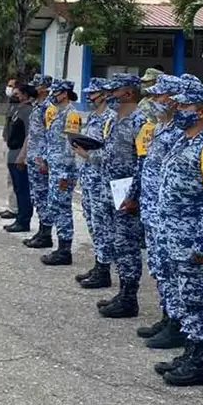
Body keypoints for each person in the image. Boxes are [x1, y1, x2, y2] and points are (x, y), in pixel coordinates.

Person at [155, 81, 203, 387]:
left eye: (184, 106)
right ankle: (189, 350)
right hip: (173, 234)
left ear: (201, 111)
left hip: (192, 238)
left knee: (196, 300)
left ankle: (199, 361)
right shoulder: (182, 141)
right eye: (177, 106)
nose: (177, 110)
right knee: (184, 297)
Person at [136, 74, 189, 348]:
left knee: (172, 271)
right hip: (153, 211)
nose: (155, 101)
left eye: (160, 96)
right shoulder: (159, 127)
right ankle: (167, 315)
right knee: (159, 268)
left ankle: (178, 323)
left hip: (169, 216)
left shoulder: (180, 133)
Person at [96, 73, 147, 318]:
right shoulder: (116, 119)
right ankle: (123, 291)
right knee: (118, 243)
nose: (108, 96)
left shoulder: (140, 122)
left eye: (113, 91)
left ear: (128, 93)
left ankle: (130, 298)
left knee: (128, 246)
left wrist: (133, 195)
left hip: (127, 195)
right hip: (112, 190)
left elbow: (142, 163)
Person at [74, 78, 114, 289]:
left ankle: (104, 269)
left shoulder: (110, 118)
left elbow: (112, 152)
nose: (89, 97)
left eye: (93, 94)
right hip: (89, 179)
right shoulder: (92, 116)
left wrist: (89, 155)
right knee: (92, 224)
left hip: (102, 181)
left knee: (103, 227)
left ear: (104, 94)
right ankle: (99, 264)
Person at [39, 80, 82, 266]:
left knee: (63, 208)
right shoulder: (57, 114)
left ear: (64, 94)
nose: (52, 96)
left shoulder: (71, 115)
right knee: (55, 206)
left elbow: (71, 145)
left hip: (64, 171)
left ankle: (65, 250)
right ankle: (61, 246)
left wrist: (64, 173)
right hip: (55, 168)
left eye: (55, 93)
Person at [23, 75, 55, 249]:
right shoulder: (38, 106)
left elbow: (51, 136)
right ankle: (42, 231)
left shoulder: (49, 108)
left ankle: (46, 234)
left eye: (36, 86)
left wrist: (45, 160)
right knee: (37, 196)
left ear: (44, 88)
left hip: (41, 160)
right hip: (33, 158)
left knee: (43, 196)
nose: (32, 89)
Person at [3, 85, 35, 234]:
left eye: (18, 94)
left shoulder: (28, 111)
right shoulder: (17, 109)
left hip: (19, 155)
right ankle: (19, 218)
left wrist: (23, 155)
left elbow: (29, 135)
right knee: (17, 187)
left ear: (25, 95)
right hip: (12, 152)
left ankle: (24, 220)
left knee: (23, 190)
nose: (15, 96)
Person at [0, 78, 20, 220]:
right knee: (10, 178)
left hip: (15, 146)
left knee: (14, 178)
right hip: (7, 142)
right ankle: (12, 206)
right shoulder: (11, 104)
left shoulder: (21, 106)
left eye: (11, 86)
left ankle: (15, 208)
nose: (9, 89)